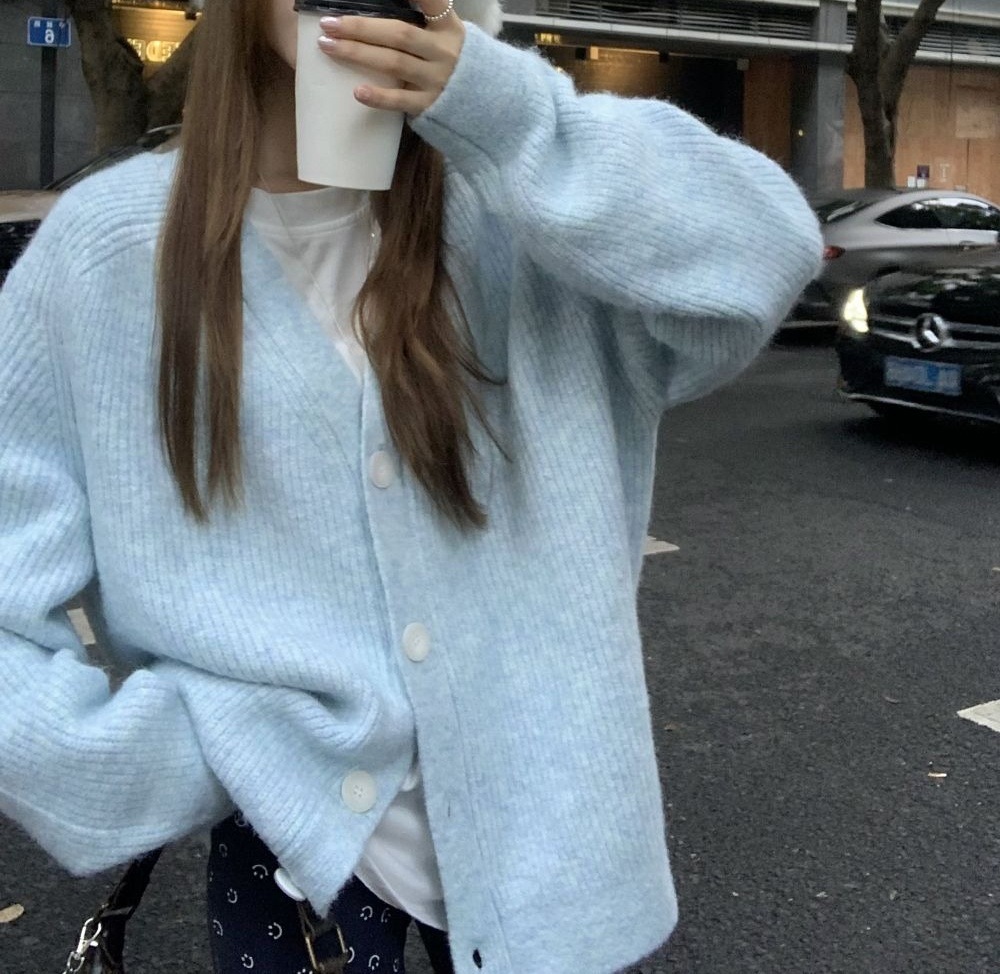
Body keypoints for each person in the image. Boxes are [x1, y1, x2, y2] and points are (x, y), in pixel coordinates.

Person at [0, 0, 822, 971]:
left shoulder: (530, 211)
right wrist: (170, 758)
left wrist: (498, 109)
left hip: (555, 871)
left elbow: (766, 249)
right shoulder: (106, 252)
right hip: (294, 874)